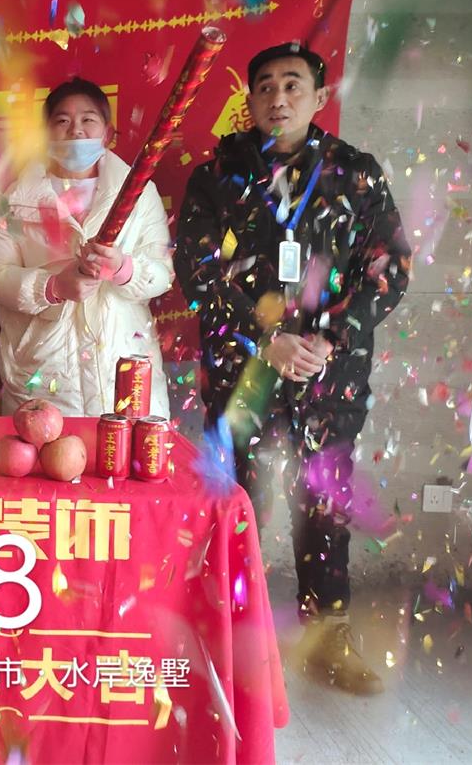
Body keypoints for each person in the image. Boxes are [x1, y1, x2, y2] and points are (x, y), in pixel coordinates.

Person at [173, 42, 410, 695]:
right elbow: (196, 268)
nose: (278, 98)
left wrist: (327, 340)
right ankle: (228, 638)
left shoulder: (355, 174)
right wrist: (265, 339)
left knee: (324, 505)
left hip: (329, 377)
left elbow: (388, 270)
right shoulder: (219, 174)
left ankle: (327, 640)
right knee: (236, 500)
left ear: (320, 96)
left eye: (292, 85)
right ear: (250, 99)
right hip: (243, 371)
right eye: (265, 87)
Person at [0, 78, 173, 416]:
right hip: (43, 377)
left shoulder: (139, 193)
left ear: (107, 133)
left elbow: (163, 273)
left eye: (88, 119)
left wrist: (124, 269)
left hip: (123, 374)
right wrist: (52, 287)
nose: (76, 130)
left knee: (121, 447)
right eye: (62, 121)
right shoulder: (16, 199)